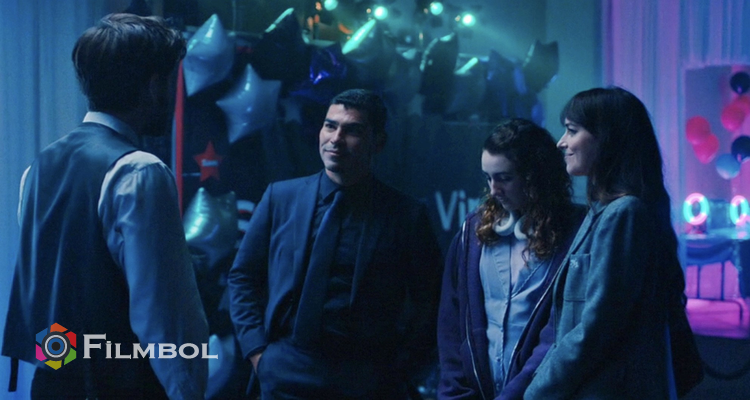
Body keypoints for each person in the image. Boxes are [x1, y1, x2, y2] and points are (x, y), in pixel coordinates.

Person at [1, 13, 208, 399]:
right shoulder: (139, 171)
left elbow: (48, 295)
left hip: (51, 383)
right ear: (153, 85)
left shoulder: (38, 168)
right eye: (171, 80)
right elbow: (163, 315)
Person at [228, 88, 444, 399]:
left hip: (367, 379)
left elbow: (432, 302)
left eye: (352, 130)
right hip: (284, 368)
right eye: (330, 126)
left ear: (378, 143)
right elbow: (243, 277)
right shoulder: (280, 198)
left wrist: (399, 370)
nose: (336, 139)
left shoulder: (406, 216)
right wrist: (258, 352)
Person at [524, 87, 702, 399]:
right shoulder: (606, 211)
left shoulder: (623, 213)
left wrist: (537, 391)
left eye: (572, 130)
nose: (561, 142)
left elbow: (597, 328)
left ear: (607, 138)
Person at [437, 118, 584, 400]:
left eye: (504, 178)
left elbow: (562, 333)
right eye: (488, 178)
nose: (493, 190)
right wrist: (455, 394)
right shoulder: (472, 232)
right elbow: (450, 326)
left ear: (535, 177)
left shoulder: (577, 233)